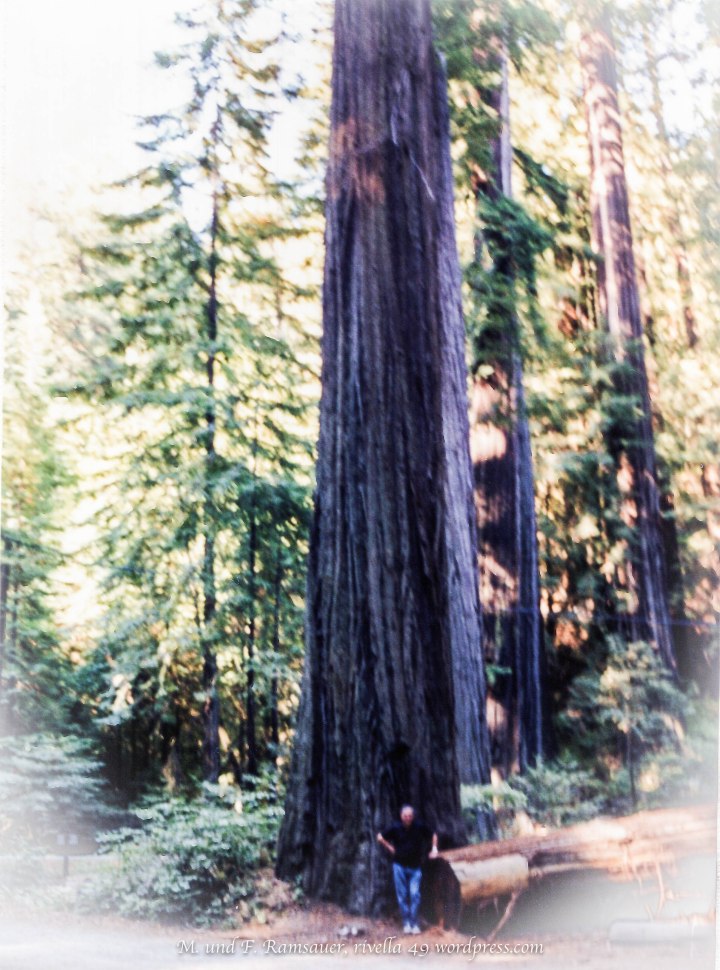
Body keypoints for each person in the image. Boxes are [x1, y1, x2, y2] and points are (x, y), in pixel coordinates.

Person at [376, 804, 438, 934]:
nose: (408, 818)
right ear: (401, 816)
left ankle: (414, 923)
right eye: (405, 816)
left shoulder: (419, 826)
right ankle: (406, 923)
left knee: (414, 894)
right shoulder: (395, 827)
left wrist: (434, 848)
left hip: (415, 867)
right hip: (399, 866)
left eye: (410, 816)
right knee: (402, 896)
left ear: (413, 816)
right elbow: (379, 837)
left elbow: (433, 835)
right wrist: (390, 847)